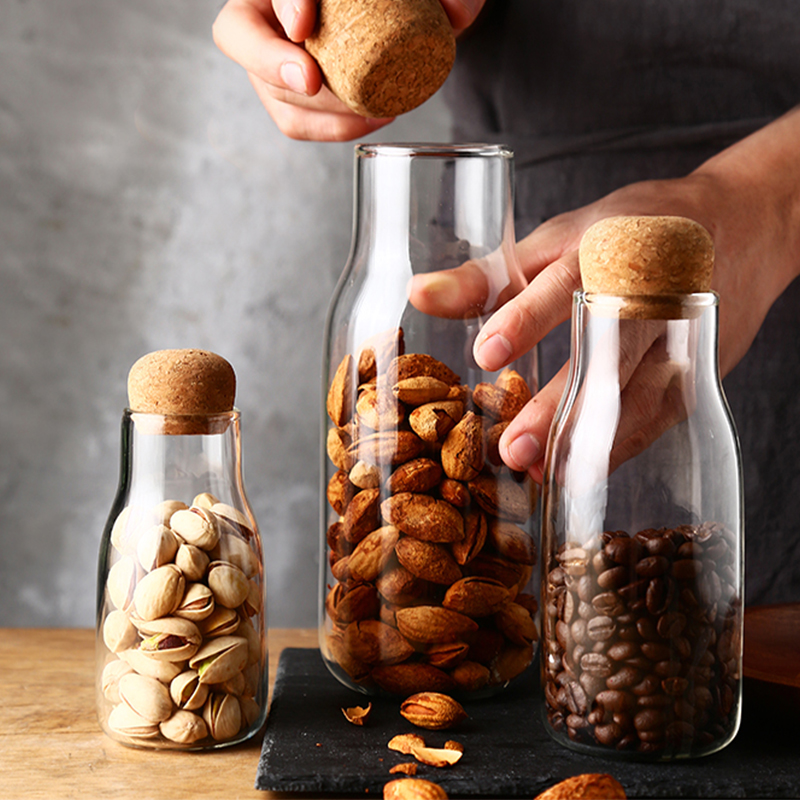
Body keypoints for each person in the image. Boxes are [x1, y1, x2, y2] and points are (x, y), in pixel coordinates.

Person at [212, 0, 800, 604]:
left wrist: (768, 207)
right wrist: (313, 24)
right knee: (563, 591)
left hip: (764, 221)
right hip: (507, 236)